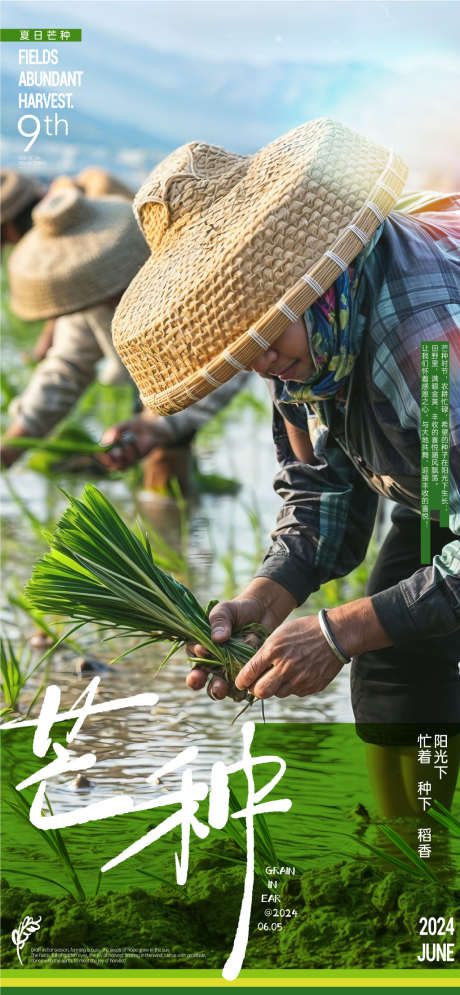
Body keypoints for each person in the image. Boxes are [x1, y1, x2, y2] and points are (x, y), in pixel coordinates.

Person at [111, 118, 460, 817]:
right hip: (441, 488)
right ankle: (410, 865)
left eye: (263, 331)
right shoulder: (307, 336)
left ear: (309, 273)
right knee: (396, 661)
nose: (259, 360)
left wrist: (339, 630)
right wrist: (265, 597)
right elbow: (323, 485)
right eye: (241, 340)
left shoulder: (431, 350)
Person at [1, 185, 249, 482]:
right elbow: (67, 367)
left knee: (164, 458)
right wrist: (10, 447)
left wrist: (157, 426)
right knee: (153, 451)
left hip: (191, 376)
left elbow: (234, 359)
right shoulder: (84, 290)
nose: (107, 301)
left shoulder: (182, 279)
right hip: (151, 380)